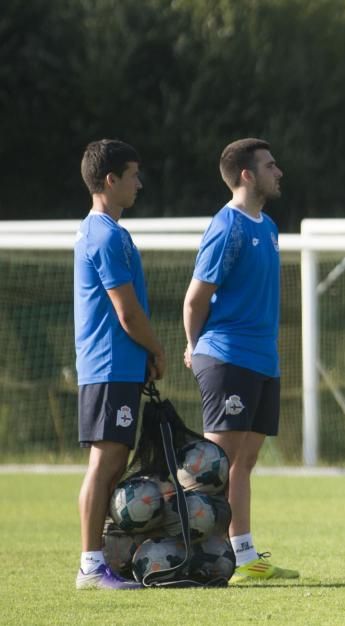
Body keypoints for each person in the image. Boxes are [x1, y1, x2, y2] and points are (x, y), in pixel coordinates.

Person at [182, 138, 298, 581]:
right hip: (227, 355)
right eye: (270, 165)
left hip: (262, 360)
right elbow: (195, 299)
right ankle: (190, 552)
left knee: (244, 462)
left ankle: (243, 556)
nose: (279, 171)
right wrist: (195, 346)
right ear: (247, 174)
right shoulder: (227, 226)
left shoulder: (267, 226)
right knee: (215, 466)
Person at [74, 139, 165, 590]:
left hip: (119, 366)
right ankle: (90, 566)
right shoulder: (105, 235)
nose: (139, 184)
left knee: (113, 460)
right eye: (133, 175)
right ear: (110, 180)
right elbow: (126, 312)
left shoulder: (111, 232)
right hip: (108, 365)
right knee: (106, 461)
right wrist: (158, 349)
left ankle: (100, 560)